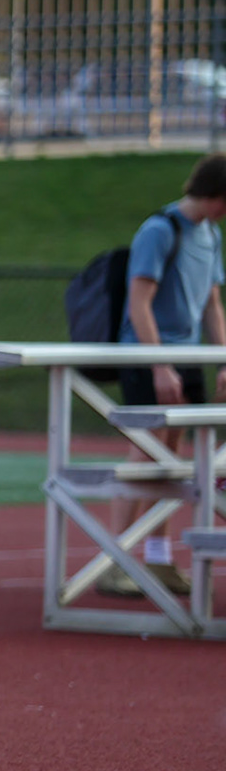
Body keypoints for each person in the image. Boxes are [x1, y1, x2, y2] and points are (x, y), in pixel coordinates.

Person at [100, 153, 226, 597]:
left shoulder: (210, 234)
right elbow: (140, 303)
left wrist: (223, 358)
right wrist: (158, 364)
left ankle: (157, 556)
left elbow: (212, 304)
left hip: (186, 354)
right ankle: (115, 557)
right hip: (148, 355)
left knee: (172, 461)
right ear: (214, 194)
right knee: (145, 453)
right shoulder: (160, 230)